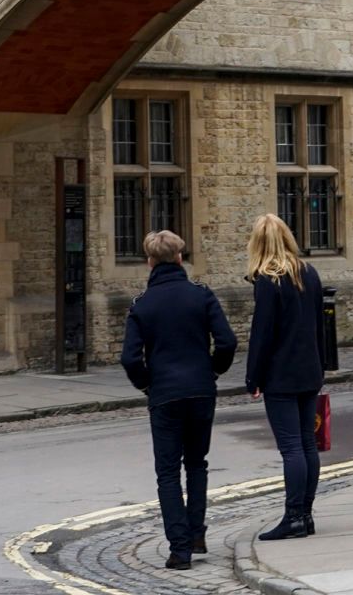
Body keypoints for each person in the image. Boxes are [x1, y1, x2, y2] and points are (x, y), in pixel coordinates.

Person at [120, 229, 237, 570]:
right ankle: (197, 532)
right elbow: (227, 342)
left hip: (165, 394)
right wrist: (213, 371)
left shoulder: (143, 304)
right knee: (197, 463)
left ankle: (180, 549)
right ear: (180, 259)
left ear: (150, 262)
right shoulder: (201, 295)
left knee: (168, 474)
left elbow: (130, 358)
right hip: (201, 390)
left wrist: (146, 385)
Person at [244, 212, 327, 541]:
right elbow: (320, 325)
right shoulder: (310, 273)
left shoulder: (268, 280)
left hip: (281, 374)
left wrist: (254, 378)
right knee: (307, 444)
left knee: (291, 447)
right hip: (309, 369)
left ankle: (293, 516)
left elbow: (262, 334)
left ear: (258, 243)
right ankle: (305, 515)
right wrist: (321, 364)